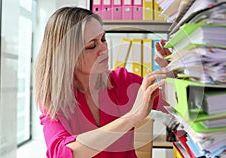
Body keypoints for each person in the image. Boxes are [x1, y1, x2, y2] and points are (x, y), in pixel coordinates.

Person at [34, 6, 171, 158]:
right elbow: (62, 153)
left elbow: (173, 105)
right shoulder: (54, 99)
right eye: (92, 45)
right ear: (67, 55)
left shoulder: (123, 82)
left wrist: (173, 76)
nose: (104, 49)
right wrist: (131, 118)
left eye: (103, 39)